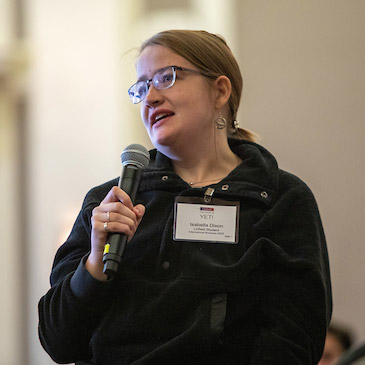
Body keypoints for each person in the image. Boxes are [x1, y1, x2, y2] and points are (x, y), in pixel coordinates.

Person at [38, 29, 332, 364]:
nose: (150, 98)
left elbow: (294, 339)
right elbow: (58, 341)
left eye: (166, 78)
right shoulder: (110, 202)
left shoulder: (282, 199)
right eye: (142, 87)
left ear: (220, 90)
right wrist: (94, 262)